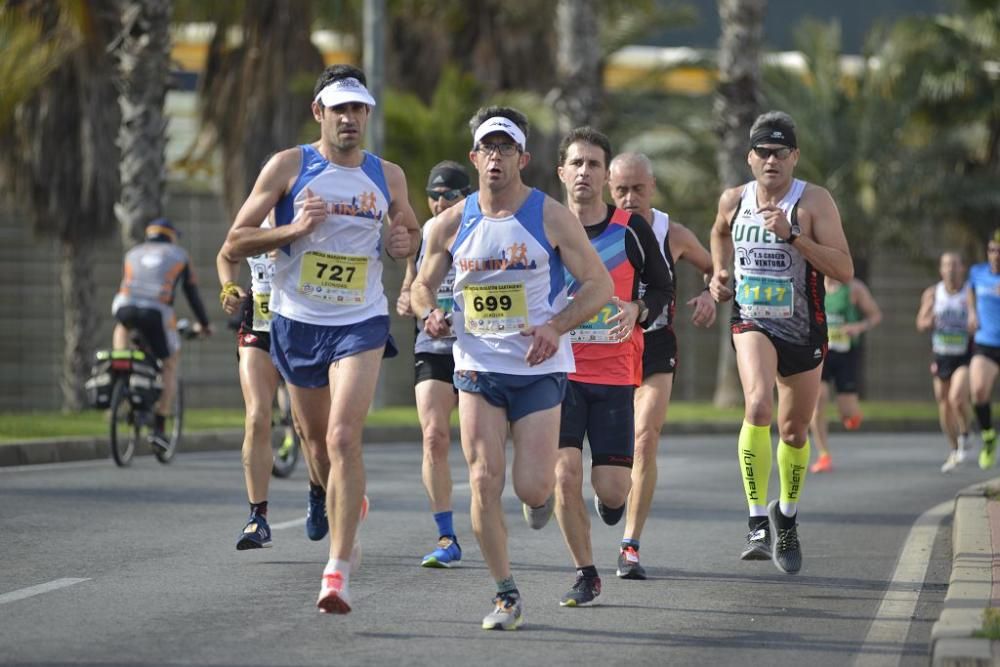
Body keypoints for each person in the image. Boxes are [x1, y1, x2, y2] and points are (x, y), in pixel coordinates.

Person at [218, 64, 421, 614]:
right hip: (295, 320)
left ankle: (337, 570)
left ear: (367, 115)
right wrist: (293, 231)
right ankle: (320, 492)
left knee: (341, 436)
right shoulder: (289, 165)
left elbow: (409, 231)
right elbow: (236, 241)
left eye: (359, 109)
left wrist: (404, 241)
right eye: (340, 109)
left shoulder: (388, 174)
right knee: (314, 443)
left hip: (361, 320)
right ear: (320, 113)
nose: (350, 119)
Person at [410, 107, 613, 630]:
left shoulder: (550, 216)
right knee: (481, 479)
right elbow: (419, 285)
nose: (496, 158)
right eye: (487, 149)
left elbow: (599, 285)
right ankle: (505, 594)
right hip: (476, 365)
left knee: (533, 488)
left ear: (522, 158)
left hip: (538, 368)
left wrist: (556, 326)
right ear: (475, 157)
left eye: (506, 149)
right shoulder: (450, 223)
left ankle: (537, 498)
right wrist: (430, 312)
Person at [708, 110, 853, 575]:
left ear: (794, 157)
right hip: (753, 321)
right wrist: (719, 273)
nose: (771, 160)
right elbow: (718, 233)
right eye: (763, 152)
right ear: (750, 158)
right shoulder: (734, 199)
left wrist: (794, 236)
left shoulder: (813, 202)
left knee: (793, 430)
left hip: (804, 328)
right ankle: (756, 519)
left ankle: (785, 517)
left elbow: (844, 270)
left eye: (780, 152)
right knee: (757, 407)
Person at [550, 129, 673, 606]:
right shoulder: (543, 224)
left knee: (614, 489)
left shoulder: (630, 230)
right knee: (563, 476)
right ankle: (585, 572)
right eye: (576, 163)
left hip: (616, 372)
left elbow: (662, 288)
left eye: (593, 164)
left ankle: (610, 502)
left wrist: (637, 310)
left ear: (606, 175)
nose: (584, 172)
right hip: (558, 372)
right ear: (561, 172)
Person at [608, 152, 716, 580]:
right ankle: (611, 492)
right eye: (621, 190)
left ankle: (630, 544)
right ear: (608, 189)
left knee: (645, 436)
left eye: (638, 189)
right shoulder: (593, 229)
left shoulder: (672, 232)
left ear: (652, 186)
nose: (630, 198)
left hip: (654, 346)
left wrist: (710, 294)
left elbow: (718, 270)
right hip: (603, 350)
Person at [217, 215, 326, 550]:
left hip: (302, 328)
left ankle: (317, 491)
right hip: (258, 326)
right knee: (256, 416)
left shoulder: (313, 219)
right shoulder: (254, 219)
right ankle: (257, 517)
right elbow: (227, 253)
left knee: (307, 427)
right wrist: (228, 286)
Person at [396, 161, 473, 568]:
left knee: (485, 444)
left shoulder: (482, 230)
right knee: (433, 437)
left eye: (450, 195)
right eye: (434, 195)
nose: (440, 202)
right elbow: (412, 283)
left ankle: (533, 491)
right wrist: (408, 300)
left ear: (466, 198)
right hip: (433, 344)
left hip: (481, 348)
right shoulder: (425, 234)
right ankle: (446, 536)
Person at [112, 218, 213, 448]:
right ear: (171, 236)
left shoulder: (132, 253)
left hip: (124, 306)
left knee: (122, 325)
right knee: (169, 362)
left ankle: (122, 364)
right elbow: (192, 294)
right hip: (156, 311)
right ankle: (159, 427)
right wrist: (205, 324)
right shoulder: (179, 255)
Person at [807, 277, 881, 473]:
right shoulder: (812, 284)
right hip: (820, 354)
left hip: (845, 354)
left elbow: (875, 316)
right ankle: (824, 455)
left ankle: (850, 413)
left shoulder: (854, 288)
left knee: (848, 414)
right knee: (817, 401)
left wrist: (858, 327)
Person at [916, 252, 972, 472]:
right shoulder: (932, 293)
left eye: (955, 265)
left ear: (962, 268)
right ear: (941, 270)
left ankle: (966, 433)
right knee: (944, 403)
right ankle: (954, 448)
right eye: (946, 265)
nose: (950, 269)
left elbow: (978, 318)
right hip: (942, 354)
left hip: (965, 354)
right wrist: (927, 320)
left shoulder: (969, 293)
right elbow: (920, 323)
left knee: (957, 397)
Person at [966, 230, 1000, 470]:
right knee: (978, 391)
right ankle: (988, 436)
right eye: (992, 250)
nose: (995, 255)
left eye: (999, 251)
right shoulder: (977, 273)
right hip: (985, 342)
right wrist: (971, 312)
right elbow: (970, 291)